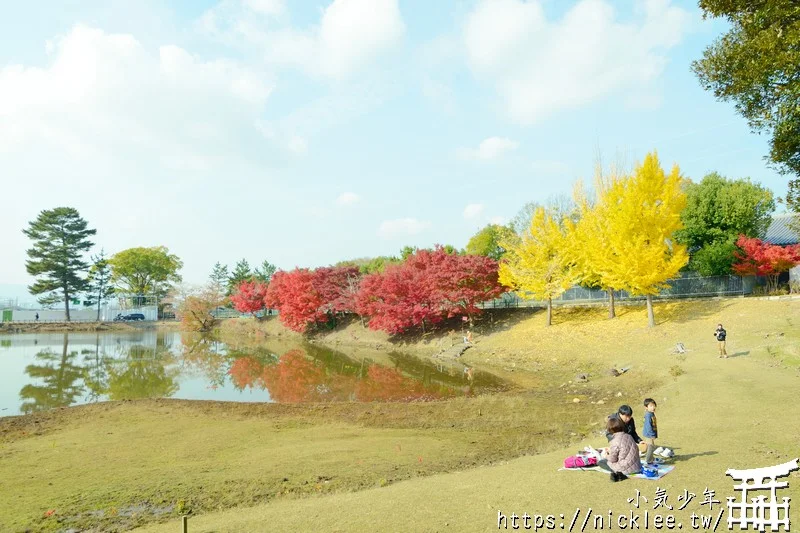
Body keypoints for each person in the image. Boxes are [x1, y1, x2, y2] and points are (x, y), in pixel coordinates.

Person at [603, 416, 642, 482]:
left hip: (625, 468)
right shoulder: (629, 436)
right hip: (637, 466)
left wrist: (606, 455)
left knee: (602, 462)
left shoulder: (615, 440)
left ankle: (618, 474)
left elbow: (613, 459)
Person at [643, 398, 658, 465]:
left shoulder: (651, 414)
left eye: (654, 405)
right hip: (648, 434)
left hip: (650, 434)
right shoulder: (648, 415)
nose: (653, 407)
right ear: (646, 407)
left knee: (651, 446)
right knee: (650, 446)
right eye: (651, 406)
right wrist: (652, 435)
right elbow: (648, 426)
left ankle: (651, 459)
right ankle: (648, 460)